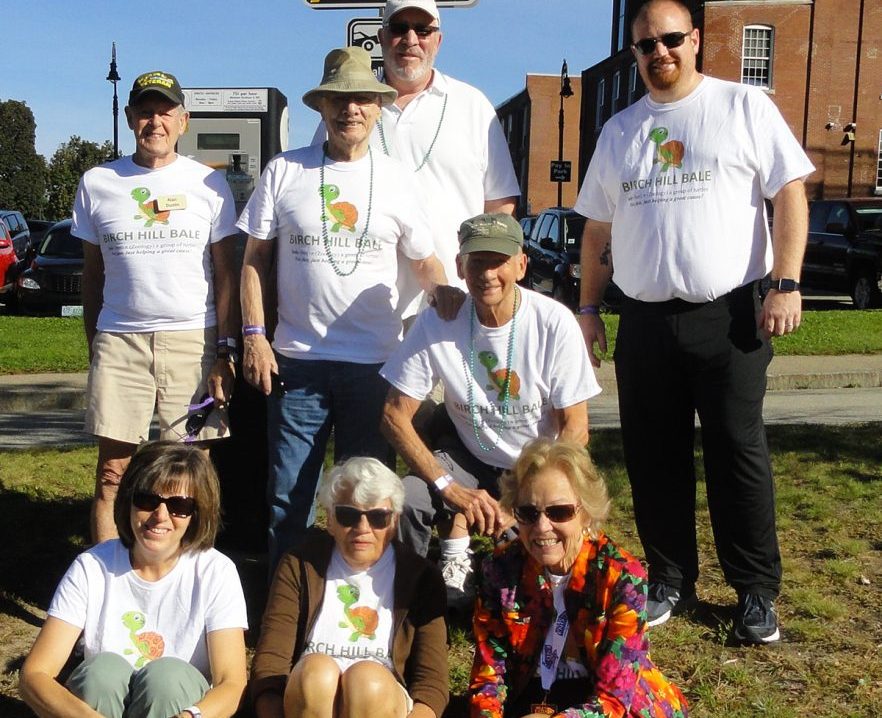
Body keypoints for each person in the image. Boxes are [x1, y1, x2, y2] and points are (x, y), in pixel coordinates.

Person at [575, 0, 814, 644]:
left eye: (671, 39)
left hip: (730, 314)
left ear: (696, 40)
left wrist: (786, 282)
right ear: (635, 55)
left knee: (738, 453)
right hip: (646, 321)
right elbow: (598, 226)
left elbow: (789, 192)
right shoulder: (620, 131)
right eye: (646, 45)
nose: (661, 53)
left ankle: (755, 592)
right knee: (655, 456)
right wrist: (589, 308)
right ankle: (670, 578)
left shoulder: (743, 107)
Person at [238, 47, 449, 572]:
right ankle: (285, 610)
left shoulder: (399, 179)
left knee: (368, 502)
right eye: (338, 99)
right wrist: (254, 335)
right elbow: (253, 261)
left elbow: (426, 264)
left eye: (360, 99)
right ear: (321, 107)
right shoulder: (285, 170)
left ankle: (362, 609)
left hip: (375, 367)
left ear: (378, 108)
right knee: (288, 499)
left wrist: (449, 313)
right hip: (296, 364)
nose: (349, 109)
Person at [381, 213, 600, 606]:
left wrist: (524, 499)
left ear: (521, 263)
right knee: (410, 497)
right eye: (477, 262)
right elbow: (393, 415)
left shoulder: (553, 323)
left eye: (498, 261)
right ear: (461, 267)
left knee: (534, 572)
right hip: (466, 456)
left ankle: (533, 582)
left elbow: (575, 428)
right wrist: (451, 490)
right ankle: (405, 598)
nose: (487, 274)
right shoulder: (439, 320)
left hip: (536, 461)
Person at [75, 69, 240, 544]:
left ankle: (186, 583)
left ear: (183, 120)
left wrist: (225, 352)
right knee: (113, 473)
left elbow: (226, 274)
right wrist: (97, 343)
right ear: (130, 119)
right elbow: (92, 275)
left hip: (193, 341)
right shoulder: (98, 182)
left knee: (190, 477)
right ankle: (106, 589)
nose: (155, 122)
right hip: (120, 339)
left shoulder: (209, 184)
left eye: (164, 112)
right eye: (145, 112)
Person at [316, 0, 520, 317]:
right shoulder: (348, 111)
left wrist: (485, 279)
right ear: (382, 38)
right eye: (399, 29)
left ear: (437, 40)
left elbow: (499, 206)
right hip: (363, 310)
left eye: (423, 30)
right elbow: (319, 187)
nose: (411, 40)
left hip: (453, 302)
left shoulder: (472, 106)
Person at [19, 441, 248, 718]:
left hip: (176, 704)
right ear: (128, 501)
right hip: (102, 706)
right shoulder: (92, 566)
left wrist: (190, 716)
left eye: (179, 505)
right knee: (101, 673)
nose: (160, 516)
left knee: (167, 679)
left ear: (197, 514)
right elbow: (35, 674)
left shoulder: (216, 572)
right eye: (147, 500)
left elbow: (232, 683)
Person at [469, 438, 688, 718]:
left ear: (585, 513)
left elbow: (614, 699)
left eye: (559, 512)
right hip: (530, 696)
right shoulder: (499, 570)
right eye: (528, 512)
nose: (542, 527)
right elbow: (489, 678)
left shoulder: (621, 576)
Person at [250, 457, 448, 718]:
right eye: (348, 515)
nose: (362, 528)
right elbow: (270, 665)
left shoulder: (421, 576)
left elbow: (431, 684)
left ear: (394, 521)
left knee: (367, 680)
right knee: (317, 673)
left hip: (382, 700)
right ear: (330, 519)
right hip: (308, 699)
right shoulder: (299, 564)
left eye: (378, 517)